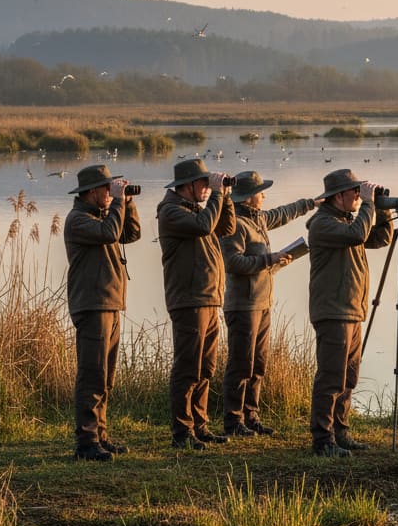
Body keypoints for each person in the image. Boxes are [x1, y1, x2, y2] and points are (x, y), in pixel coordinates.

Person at [220, 170, 321, 438]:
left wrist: (310, 203)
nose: (264, 194)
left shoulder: (259, 219)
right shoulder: (234, 225)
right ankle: (232, 421)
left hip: (263, 302)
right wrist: (269, 259)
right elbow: (232, 263)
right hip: (242, 305)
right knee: (241, 363)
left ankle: (251, 417)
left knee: (259, 363)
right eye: (260, 191)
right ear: (248, 197)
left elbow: (283, 213)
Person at [307, 169, 392, 457]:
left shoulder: (345, 223)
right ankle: (322, 440)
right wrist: (368, 205)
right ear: (338, 196)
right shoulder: (323, 224)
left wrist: (380, 209)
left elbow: (379, 238)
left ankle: (340, 432)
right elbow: (358, 234)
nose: (358, 195)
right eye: (354, 192)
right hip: (333, 311)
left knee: (348, 377)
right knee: (331, 377)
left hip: (352, 310)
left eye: (360, 191)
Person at [64, 163, 141, 461]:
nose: (110, 193)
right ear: (91, 191)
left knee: (106, 377)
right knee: (92, 374)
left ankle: (100, 436)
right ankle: (85, 441)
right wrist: (119, 202)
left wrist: (128, 203)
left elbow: (130, 234)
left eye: (113, 188)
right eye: (106, 189)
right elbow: (110, 233)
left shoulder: (100, 215)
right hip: (92, 304)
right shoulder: (78, 220)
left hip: (109, 303)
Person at [157, 158, 235, 451]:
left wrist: (223, 196)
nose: (206, 188)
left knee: (206, 367)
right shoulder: (171, 212)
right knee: (188, 367)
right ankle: (182, 431)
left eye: (208, 183)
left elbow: (226, 227)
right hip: (189, 299)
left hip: (208, 297)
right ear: (187, 186)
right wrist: (216, 194)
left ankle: (199, 425)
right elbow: (204, 227)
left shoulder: (196, 210)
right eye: (203, 183)